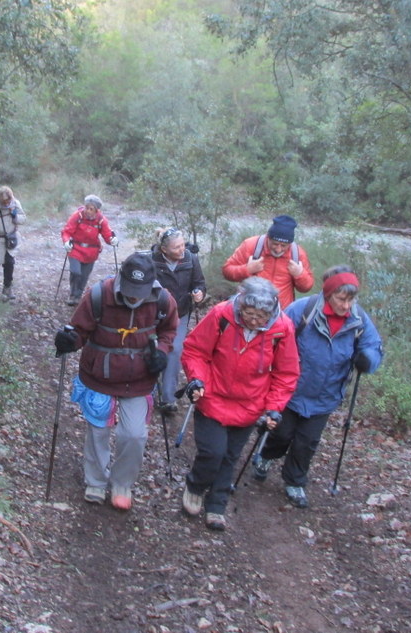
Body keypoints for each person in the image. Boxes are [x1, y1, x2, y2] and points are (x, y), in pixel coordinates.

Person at [53, 252, 179, 511]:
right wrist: (68, 341)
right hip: (100, 376)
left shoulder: (164, 300)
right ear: (121, 278)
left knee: (134, 435)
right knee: (98, 432)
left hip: (140, 378)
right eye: (131, 290)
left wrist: (162, 353)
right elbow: (79, 331)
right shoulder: (100, 295)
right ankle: (96, 481)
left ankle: (122, 483)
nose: (134, 296)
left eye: (140, 291)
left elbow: (169, 331)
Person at [252, 265, 383, 509]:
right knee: (281, 433)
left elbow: (374, 346)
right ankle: (266, 456)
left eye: (351, 299)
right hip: (291, 390)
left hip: (326, 394)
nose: (346, 305)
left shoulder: (359, 319)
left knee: (307, 442)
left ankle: (295, 481)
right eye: (341, 299)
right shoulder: (304, 310)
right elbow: (273, 334)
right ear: (328, 294)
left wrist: (368, 359)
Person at [179, 276, 300, 531]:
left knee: (230, 456)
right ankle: (196, 485)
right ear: (241, 303)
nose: (254, 321)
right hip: (212, 395)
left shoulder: (282, 328)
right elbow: (195, 351)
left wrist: (274, 407)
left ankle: (217, 503)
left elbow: (286, 373)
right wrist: (197, 380)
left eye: (261, 316)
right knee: (213, 451)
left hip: (251, 404)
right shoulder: (222, 315)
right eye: (249, 313)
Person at [150, 227, 206, 412]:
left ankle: (168, 398)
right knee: (151, 349)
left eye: (183, 245)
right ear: (164, 249)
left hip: (180, 314)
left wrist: (199, 293)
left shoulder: (191, 259)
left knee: (174, 350)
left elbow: (199, 283)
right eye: (176, 248)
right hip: (152, 315)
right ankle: (146, 392)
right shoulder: (151, 261)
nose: (182, 250)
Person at [221, 214, 314, 308]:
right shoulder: (250, 245)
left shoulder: (298, 254)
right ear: (268, 237)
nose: (278, 249)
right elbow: (226, 271)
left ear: (290, 243)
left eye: (284, 246)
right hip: (249, 309)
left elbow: (306, 288)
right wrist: (247, 270)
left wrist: (299, 274)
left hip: (281, 313)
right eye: (275, 244)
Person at [60, 195, 118, 305]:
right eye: (87, 207)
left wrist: (112, 240)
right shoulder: (77, 216)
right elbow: (67, 231)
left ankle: (78, 295)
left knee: (84, 276)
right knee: (75, 271)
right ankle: (73, 294)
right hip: (75, 249)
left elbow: (107, 235)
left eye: (91, 209)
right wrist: (66, 241)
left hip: (91, 252)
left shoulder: (101, 220)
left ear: (97, 210)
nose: (88, 211)